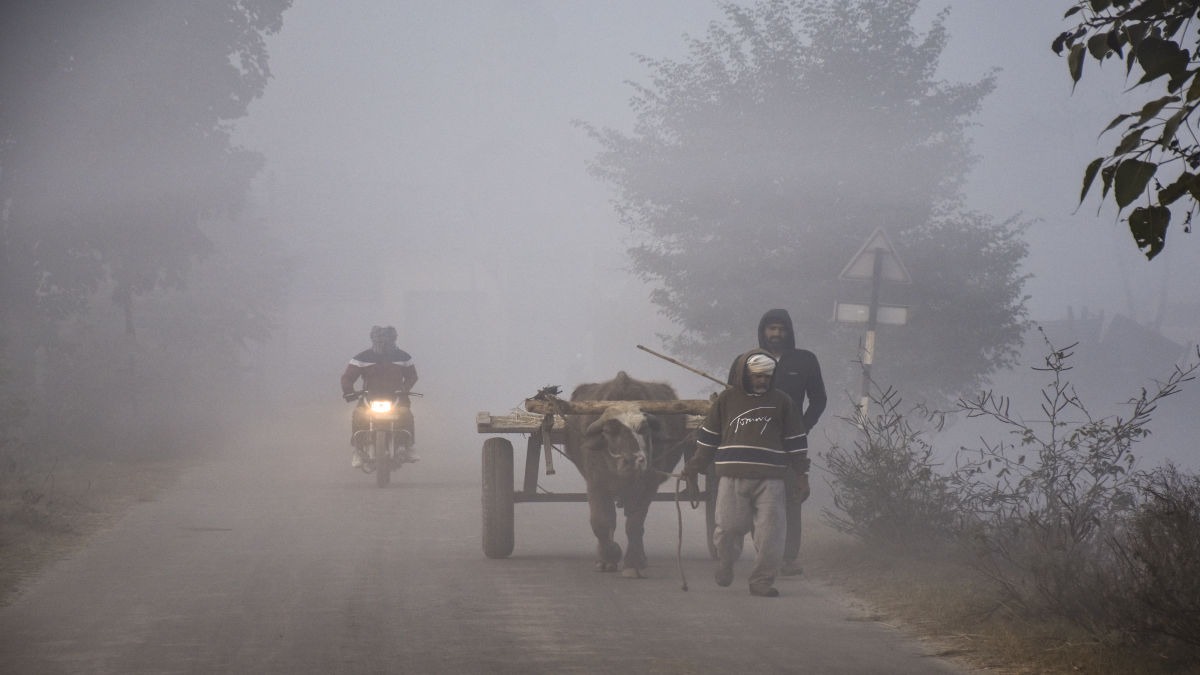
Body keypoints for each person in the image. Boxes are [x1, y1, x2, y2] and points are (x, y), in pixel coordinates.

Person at [683, 349, 809, 597]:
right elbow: (708, 439)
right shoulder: (726, 400)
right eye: (757, 376)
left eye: (767, 376)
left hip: (771, 479)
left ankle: (761, 581)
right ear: (744, 374)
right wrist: (693, 467)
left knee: (771, 534)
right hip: (732, 476)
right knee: (728, 528)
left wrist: (801, 476)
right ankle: (726, 562)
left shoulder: (783, 402)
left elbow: (796, 442)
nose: (762, 381)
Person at [740, 308, 827, 577]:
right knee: (757, 498)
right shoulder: (748, 360)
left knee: (791, 498)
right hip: (754, 441)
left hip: (790, 444)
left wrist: (803, 427)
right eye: (771, 329)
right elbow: (737, 399)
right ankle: (765, 554)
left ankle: (788, 558)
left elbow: (819, 399)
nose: (776, 334)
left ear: (789, 332)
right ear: (762, 331)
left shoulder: (805, 361)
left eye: (781, 329)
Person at [340, 325, 419, 467]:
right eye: (379, 338)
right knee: (358, 415)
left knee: (406, 415)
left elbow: (412, 376)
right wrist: (348, 391)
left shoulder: (404, 356)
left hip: (397, 398)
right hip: (369, 398)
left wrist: (404, 389)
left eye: (386, 339)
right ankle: (358, 450)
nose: (383, 342)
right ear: (372, 339)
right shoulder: (362, 357)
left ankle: (408, 447)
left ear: (393, 339)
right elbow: (347, 377)